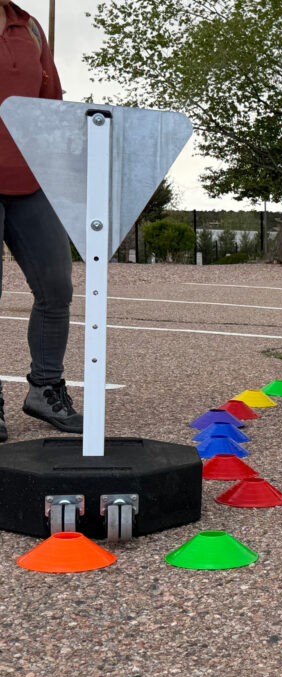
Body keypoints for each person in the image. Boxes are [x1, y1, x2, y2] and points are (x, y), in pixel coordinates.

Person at [0, 0, 83, 443]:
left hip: (31, 179)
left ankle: (45, 389)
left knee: (56, 287)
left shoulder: (28, 25)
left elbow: (51, 104)